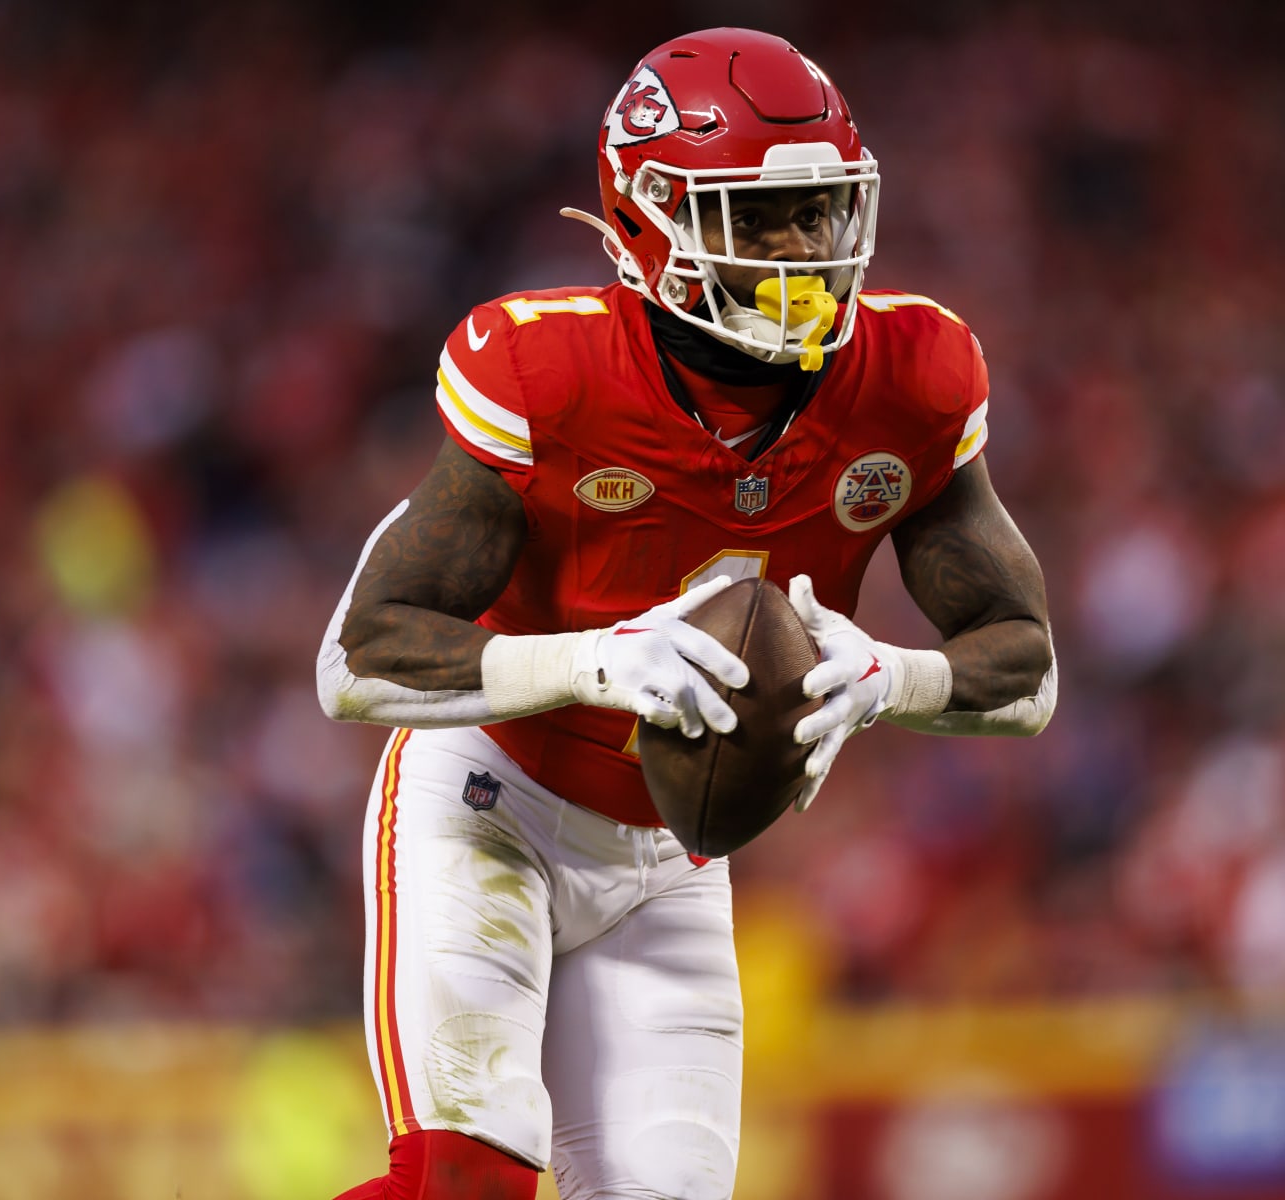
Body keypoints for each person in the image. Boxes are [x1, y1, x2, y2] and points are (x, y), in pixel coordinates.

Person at [316, 27, 1056, 1200]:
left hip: (672, 853)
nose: (801, 250)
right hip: (489, 800)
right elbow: (354, 660)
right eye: (755, 219)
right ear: (648, 215)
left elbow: (1027, 668)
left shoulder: (913, 378)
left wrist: (889, 680)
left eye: (819, 213)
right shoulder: (549, 372)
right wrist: (593, 664)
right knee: (465, 1180)